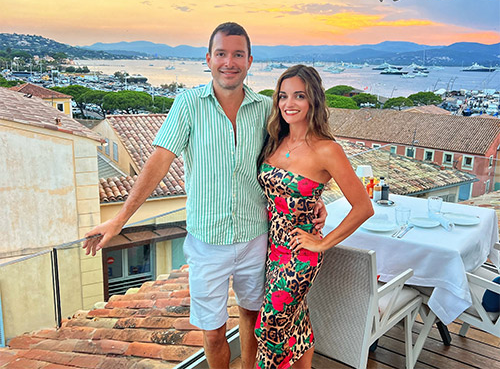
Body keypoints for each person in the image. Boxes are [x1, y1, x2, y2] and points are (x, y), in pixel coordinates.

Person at [83, 23, 326, 369]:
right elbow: (158, 163)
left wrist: (315, 200)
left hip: (256, 238)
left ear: (249, 60)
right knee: (212, 333)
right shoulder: (188, 105)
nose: (230, 62)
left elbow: (297, 154)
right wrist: (120, 219)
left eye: (238, 54)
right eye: (222, 54)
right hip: (207, 243)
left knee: (254, 320)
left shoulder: (265, 109)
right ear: (208, 59)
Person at [254, 65, 374, 369]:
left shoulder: (327, 150)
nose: (288, 104)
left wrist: (322, 244)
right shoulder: (274, 139)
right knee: (296, 319)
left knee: (269, 326)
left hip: (300, 254)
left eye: (299, 96)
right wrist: (315, 200)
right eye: (283, 96)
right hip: (271, 250)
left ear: (313, 101)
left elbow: (363, 207)